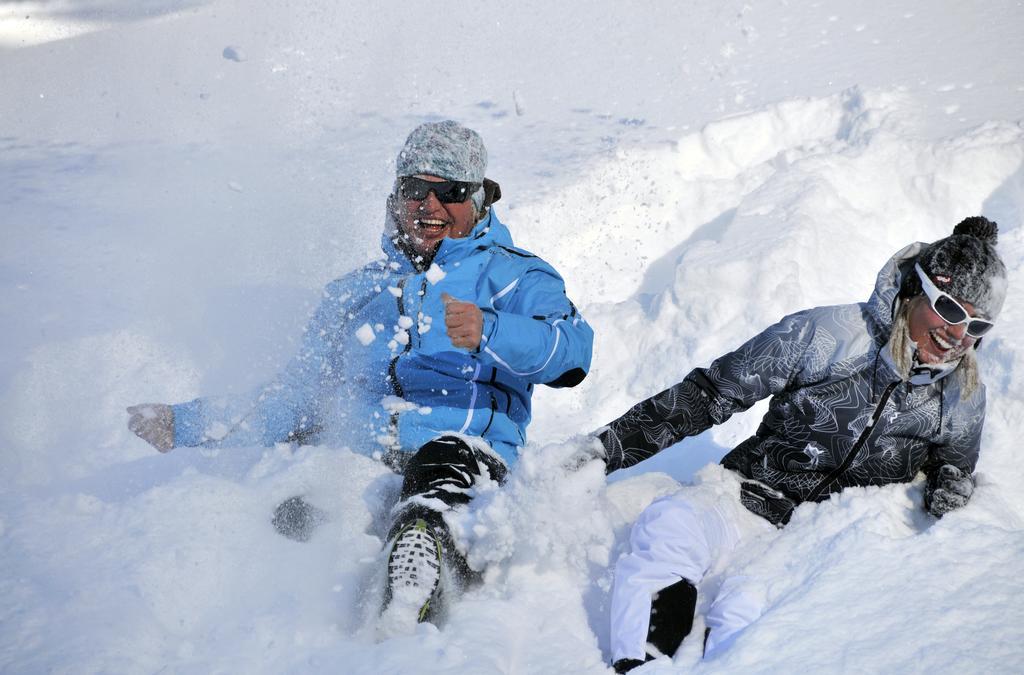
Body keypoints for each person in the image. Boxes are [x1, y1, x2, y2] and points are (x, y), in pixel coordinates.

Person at [127, 120, 594, 632]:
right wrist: (184, 423)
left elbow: (572, 354)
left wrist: (492, 330)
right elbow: (298, 395)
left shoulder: (512, 276)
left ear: (477, 200)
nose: (430, 206)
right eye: (416, 189)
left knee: (439, 475)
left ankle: (418, 580)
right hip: (361, 454)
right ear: (397, 198)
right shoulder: (355, 293)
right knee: (291, 514)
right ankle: (281, 635)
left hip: (459, 451)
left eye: (450, 192)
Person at [584, 217, 1006, 672]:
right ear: (914, 290)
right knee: (669, 526)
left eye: (977, 324)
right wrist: (604, 451)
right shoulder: (826, 334)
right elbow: (709, 394)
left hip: (814, 540)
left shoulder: (963, 394)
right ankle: (640, 664)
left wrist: (949, 488)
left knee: (752, 616)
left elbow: (955, 467)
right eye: (950, 310)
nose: (959, 335)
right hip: (741, 496)